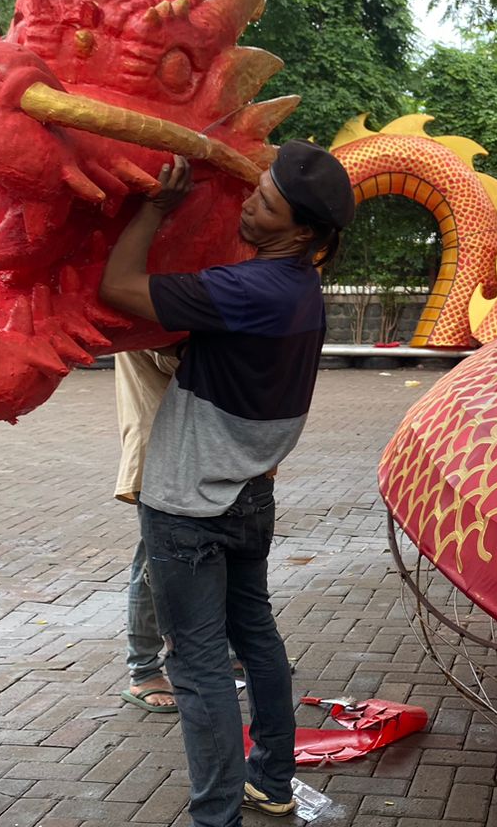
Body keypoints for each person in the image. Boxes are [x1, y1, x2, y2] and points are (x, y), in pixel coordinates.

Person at [99, 141, 355, 826]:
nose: (249, 201)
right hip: (249, 496)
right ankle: (271, 779)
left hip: (188, 504)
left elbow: (117, 286)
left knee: (200, 665)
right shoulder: (299, 291)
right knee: (257, 639)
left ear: (302, 231)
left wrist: (157, 209)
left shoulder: (249, 289)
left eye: (265, 201)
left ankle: (217, 816)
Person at [114, 348, 182, 713]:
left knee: (219, 553)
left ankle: (229, 649)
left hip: (194, 451)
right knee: (153, 565)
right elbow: (173, 357)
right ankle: (144, 670)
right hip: (160, 448)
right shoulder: (149, 293)